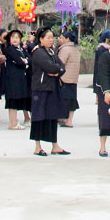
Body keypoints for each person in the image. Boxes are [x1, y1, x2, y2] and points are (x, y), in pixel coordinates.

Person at [29, 27, 68, 156]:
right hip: (41, 89)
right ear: (41, 39)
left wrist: (56, 72)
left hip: (52, 88)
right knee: (39, 116)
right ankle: (37, 146)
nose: (51, 40)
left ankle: (54, 145)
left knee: (52, 116)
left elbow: (62, 67)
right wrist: (55, 70)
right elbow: (50, 67)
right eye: (48, 38)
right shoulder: (39, 52)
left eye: (52, 37)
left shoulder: (51, 52)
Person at [2, 29, 32, 129]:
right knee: (12, 99)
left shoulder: (21, 49)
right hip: (12, 78)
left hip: (20, 78)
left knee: (19, 98)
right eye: (12, 37)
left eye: (17, 38)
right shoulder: (10, 49)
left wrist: (25, 61)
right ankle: (13, 123)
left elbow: (30, 59)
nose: (15, 40)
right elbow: (20, 61)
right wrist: (24, 62)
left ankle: (20, 120)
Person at [56, 31, 81, 127]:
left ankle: (63, 118)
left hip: (64, 78)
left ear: (68, 39)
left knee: (63, 99)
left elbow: (60, 64)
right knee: (72, 100)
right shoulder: (75, 49)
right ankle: (69, 120)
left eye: (61, 38)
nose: (59, 39)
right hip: (73, 78)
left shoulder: (65, 49)